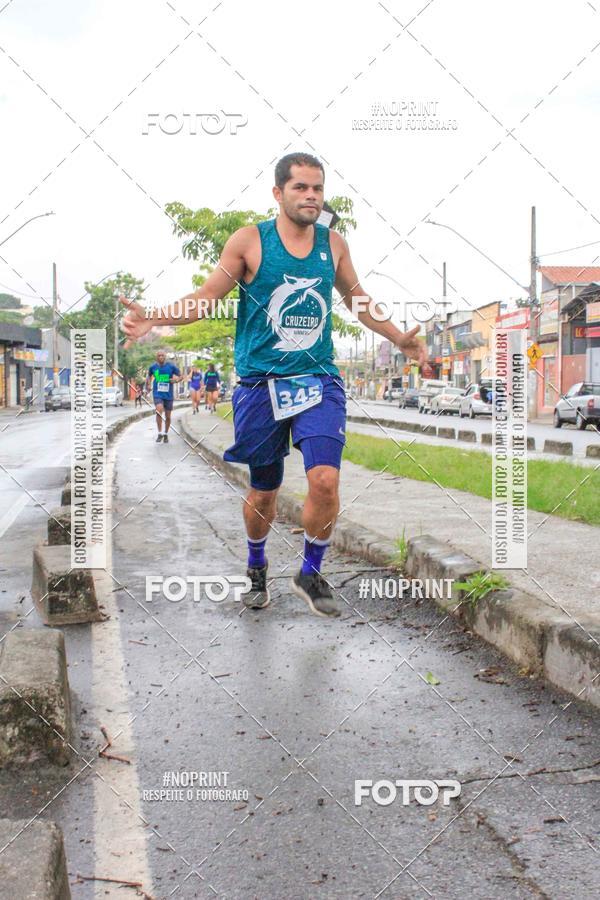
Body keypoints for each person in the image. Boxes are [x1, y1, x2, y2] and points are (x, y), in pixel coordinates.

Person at [121, 152, 429, 616]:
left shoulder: (334, 244)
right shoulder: (250, 242)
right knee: (264, 490)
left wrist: (399, 337)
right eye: (300, 187)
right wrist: (156, 318)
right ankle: (257, 566)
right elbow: (207, 298)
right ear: (278, 192)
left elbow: (359, 301)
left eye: (317, 188)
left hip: (318, 380)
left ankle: (311, 571)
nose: (310, 196)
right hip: (260, 386)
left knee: (324, 479)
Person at [146, 349, 182, 443]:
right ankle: (160, 433)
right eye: (159, 356)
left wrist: (175, 380)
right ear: (156, 357)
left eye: (162, 355)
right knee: (159, 410)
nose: (161, 357)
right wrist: (149, 384)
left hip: (168, 395)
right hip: (157, 393)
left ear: (165, 357)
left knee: (168, 416)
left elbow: (181, 376)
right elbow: (149, 376)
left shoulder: (171, 366)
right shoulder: (153, 367)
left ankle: (166, 433)